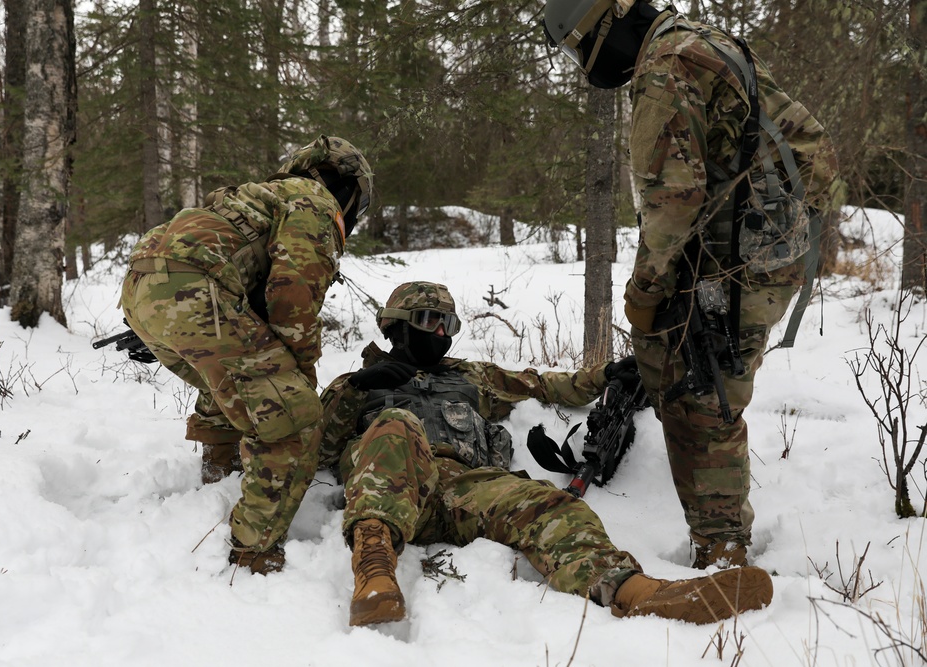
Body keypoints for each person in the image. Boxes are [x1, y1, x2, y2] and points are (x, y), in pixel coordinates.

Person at [544, 0, 838, 568]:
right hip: (763, 251)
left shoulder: (666, 66)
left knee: (698, 397)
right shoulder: (701, 41)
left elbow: (671, 199)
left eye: (581, 48)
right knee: (710, 385)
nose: (586, 65)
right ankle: (721, 532)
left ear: (606, 26)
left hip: (735, 261)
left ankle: (723, 548)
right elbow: (807, 143)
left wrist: (645, 292)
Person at [312, 281, 773, 627]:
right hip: (391, 492)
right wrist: (357, 390)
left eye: (448, 324)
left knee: (555, 506)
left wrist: (605, 374)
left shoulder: (471, 377)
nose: (441, 333)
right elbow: (319, 447)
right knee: (397, 426)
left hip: (465, 489)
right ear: (397, 325)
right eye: (430, 321)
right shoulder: (354, 385)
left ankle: (636, 592)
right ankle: (374, 575)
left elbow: (542, 384)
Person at [120, 135, 374, 574]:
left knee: (235, 375)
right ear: (348, 188)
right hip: (197, 294)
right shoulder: (313, 202)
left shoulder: (252, 196)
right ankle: (254, 552)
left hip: (141, 290)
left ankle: (221, 472)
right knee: (290, 416)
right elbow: (293, 298)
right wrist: (298, 384)